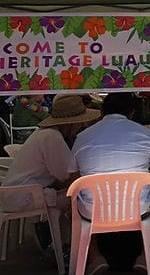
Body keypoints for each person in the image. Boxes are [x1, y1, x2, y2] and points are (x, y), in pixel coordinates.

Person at [71, 92, 150, 274]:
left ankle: (94, 255)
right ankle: (145, 255)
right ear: (131, 112)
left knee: (75, 202)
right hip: (138, 208)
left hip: (93, 210)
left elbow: (73, 178)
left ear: (101, 111)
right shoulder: (146, 134)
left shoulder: (82, 137)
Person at [0, 95, 99, 250]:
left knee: (74, 194)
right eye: (80, 123)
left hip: (16, 193)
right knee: (82, 197)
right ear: (71, 123)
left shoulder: (46, 133)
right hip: (24, 196)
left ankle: (58, 238)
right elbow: (67, 176)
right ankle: (67, 245)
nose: (82, 126)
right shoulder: (52, 137)